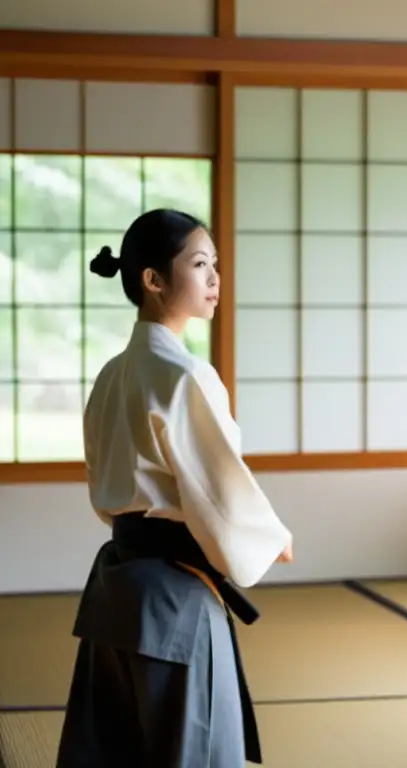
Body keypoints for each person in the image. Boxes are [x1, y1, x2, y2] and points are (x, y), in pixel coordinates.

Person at [56, 209, 294, 767]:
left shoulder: (114, 371)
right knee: (195, 751)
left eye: (215, 265)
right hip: (174, 598)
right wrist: (271, 538)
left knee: (115, 750)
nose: (214, 279)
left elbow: (110, 479)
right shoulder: (186, 375)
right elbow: (217, 488)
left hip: (118, 585)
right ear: (153, 280)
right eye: (199, 264)